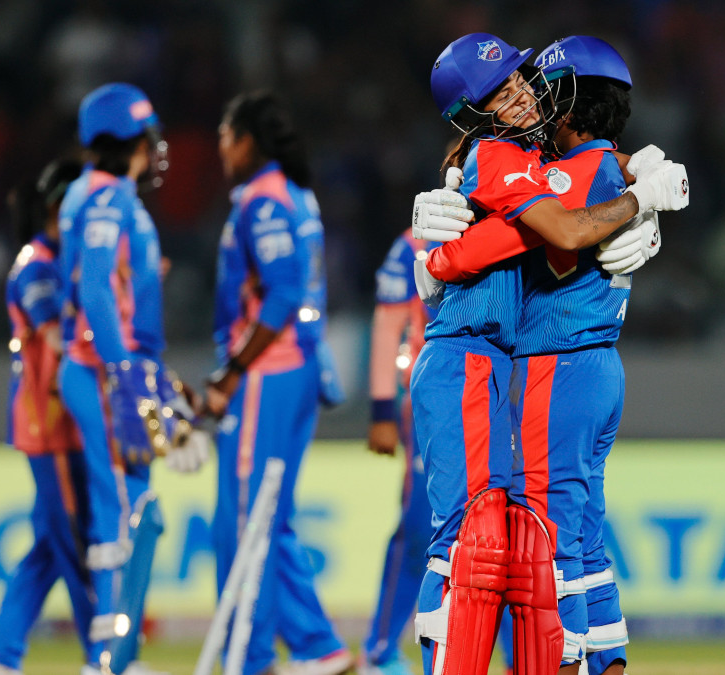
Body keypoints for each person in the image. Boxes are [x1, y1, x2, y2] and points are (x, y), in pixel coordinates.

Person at [410, 32, 686, 675]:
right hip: (477, 357)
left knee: (521, 541)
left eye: (519, 79)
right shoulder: (503, 157)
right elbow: (562, 229)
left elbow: (560, 201)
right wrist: (640, 197)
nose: (521, 94)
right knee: (494, 542)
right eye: (500, 91)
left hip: (524, 363)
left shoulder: (531, 161)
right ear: (470, 114)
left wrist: (637, 183)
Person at [57, 83, 205, 675]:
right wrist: (123, 375)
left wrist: (150, 380)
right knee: (118, 509)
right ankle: (105, 659)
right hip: (102, 373)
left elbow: (116, 291)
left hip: (120, 370)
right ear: (133, 140)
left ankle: (123, 655)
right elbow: (94, 289)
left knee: (139, 508)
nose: (155, 147)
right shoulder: (103, 197)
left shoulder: (104, 195)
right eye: (148, 136)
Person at [202, 90, 351, 675]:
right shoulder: (296, 194)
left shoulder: (262, 201)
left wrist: (233, 369)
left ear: (246, 141)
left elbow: (284, 292)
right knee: (271, 517)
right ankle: (317, 646)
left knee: (242, 518)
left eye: (224, 135)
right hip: (300, 365)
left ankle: (250, 657)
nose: (219, 147)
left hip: (268, 371)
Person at [0, 160, 93, 675]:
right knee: (75, 543)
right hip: (50, 426)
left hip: (62, 423)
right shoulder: (37, 266)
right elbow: (57, 339)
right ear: (61, 209)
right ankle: (103, 656)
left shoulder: (57, 260)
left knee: (49, 546)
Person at [363, 230, 514, 675]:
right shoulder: (415, 242)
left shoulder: (512, 221)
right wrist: (381, 409)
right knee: (420, 528)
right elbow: (389, 323)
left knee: (504, 529)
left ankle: (515, 656)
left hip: (498, 389)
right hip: (439, 398)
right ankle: (380, 651)